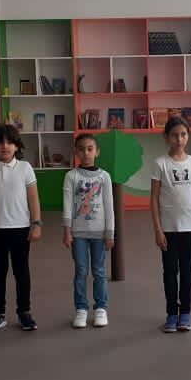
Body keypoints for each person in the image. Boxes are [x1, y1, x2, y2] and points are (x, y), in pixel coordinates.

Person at [0, 124, 42, 332]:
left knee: (21, 272)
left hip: (21, 229)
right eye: (0, 142)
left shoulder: (25, 168)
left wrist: (36, 224)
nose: (5, 146)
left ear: (17, 146)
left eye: (10, 142)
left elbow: (33, 198)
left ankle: (24, 312)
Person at [151, 116, 191, 333]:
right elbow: (154, 199)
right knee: (169, 272)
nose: (179, 139)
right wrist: (158, 229)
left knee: (187, 272)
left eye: (183, 134)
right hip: (168, 229)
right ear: (167, 137)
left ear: (188, 137)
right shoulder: (160, 164)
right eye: (174, 135)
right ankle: (171, 313)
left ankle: (185, 313)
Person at [62, 133, 115, 328]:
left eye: (90, 149)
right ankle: (81, 309)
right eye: (81, 149)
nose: (86, 153)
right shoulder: (71, 176)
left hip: (99, 234)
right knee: (81, 271)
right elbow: (67, 205)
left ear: (97, 152)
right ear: (76, 152)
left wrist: (110, 232)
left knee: (99, 271)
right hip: (78, 234)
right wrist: (67, 230)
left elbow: (109, 206)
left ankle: (101, 308)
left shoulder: (104, 177)